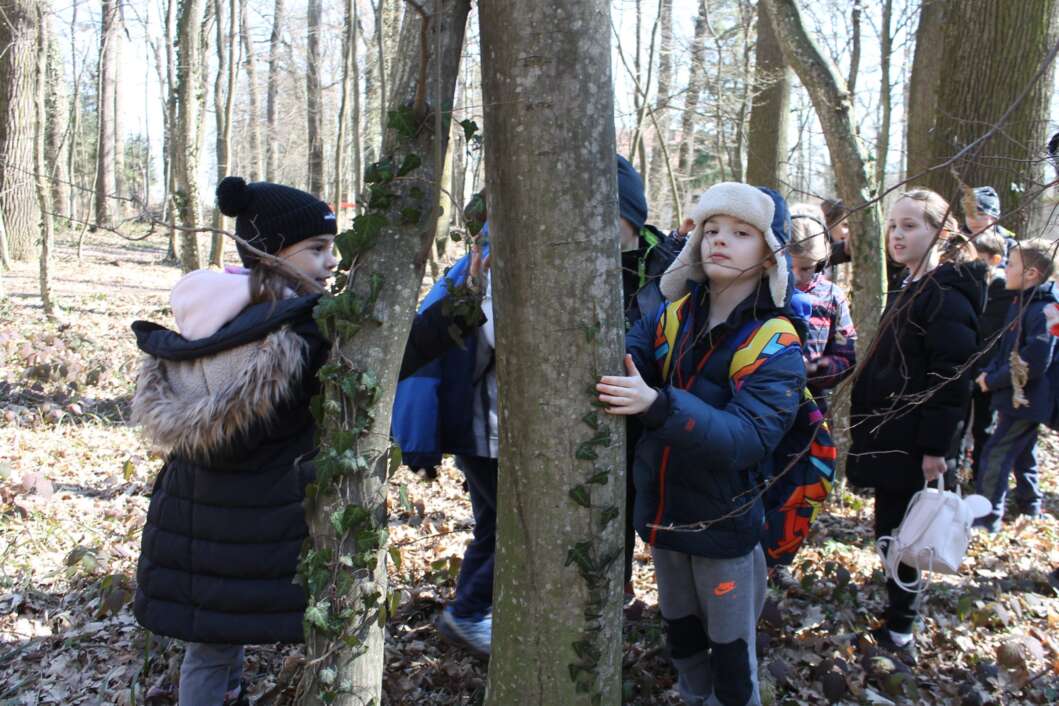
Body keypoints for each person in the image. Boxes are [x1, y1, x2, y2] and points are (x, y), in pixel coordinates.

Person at [130, 177, 337, 706]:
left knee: (214, 642)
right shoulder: (300, 331)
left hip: (198, 517)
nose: (331, 261)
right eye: (316, 249)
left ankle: (227, 698)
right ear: (269, 254)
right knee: (217, 644)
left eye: (331, 247)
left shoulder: (212, 319)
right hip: (250, 520)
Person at [600, 182, 805, 706]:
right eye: (711, 230)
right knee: (683, 639)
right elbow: (627, 357)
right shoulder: (671, 317)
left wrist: (658, 405)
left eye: (741, 233)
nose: (720, 240)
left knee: (732, 662)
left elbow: (748, 439)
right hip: (664, 520)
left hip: (726, 529)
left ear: (768, 256)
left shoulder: (775, 341)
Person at [847, 188, 984, 666]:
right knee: (891, 530)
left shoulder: (946, 291)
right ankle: (898, 613)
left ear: (941, 233)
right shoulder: (911, 284)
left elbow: (951, 373)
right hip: (894, 436)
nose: (897, 235)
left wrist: (935, 448)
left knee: (905, 534)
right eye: (893, 225)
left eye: (911, 225)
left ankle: (902, 628)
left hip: (913, 444)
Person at [617, 155, 681, 604]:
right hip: (606, 405)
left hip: (659, 406)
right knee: (612, 502)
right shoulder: (573, 260)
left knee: (656, 498)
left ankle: (677, 598)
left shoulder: (671, 263)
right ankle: (618, 587)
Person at [973, 239, 1058, 532]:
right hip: (1014, 398)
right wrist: (988, 372)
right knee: (1022, 451)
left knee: (996, 453)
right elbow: (1005, 349)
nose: (1005, 269)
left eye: (1011, 264)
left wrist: (994, 381)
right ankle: (1030, 504)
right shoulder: (1019, 302)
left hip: (1028, 401)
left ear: (1032, 273)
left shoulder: (1048, 310)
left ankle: (986, 517)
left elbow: (1034, 361)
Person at [788, 203, 857, 411]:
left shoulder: (832, 296)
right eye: (788, 266)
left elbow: (847, 353)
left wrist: (819, 368)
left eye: (806, 268)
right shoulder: (762, 290)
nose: (795, 276)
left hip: (810, 406)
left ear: (820, 262)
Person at [961, 229, 1014, 483]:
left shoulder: (1004, 288)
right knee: (959, 423)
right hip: (966, 364)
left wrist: (989, 369)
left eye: (979, 258)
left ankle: (979, 475)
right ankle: (957, 471)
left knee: (983, 424)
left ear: (994, 259)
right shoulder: (969, 283)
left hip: (988, 369)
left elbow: (998, 335)